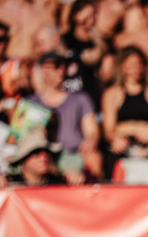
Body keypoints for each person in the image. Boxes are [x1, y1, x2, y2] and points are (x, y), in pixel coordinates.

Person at [101, 45, 148, 173]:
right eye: (131, 65)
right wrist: (138, 128)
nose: (135, 69)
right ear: (121, 67)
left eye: (139, 64)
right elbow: (109, 131)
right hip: (125, 146)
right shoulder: (112, 94)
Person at [28, 50, 102, 178]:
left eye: (65, 66)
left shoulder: (80, 99)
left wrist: (90, 141)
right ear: (42, 69)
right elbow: (21, 136)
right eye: (56, 65)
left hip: (72, 153)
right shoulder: (30, 103)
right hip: (43, 155)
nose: (62, 71)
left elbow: (92, 132)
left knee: (94, 158)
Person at [5, 127, 72, 185]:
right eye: (36, 152)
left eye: (47, 152)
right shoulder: (10, 185)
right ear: (23, 158)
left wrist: (76, 180)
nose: (44, 156)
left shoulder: (59, 184)